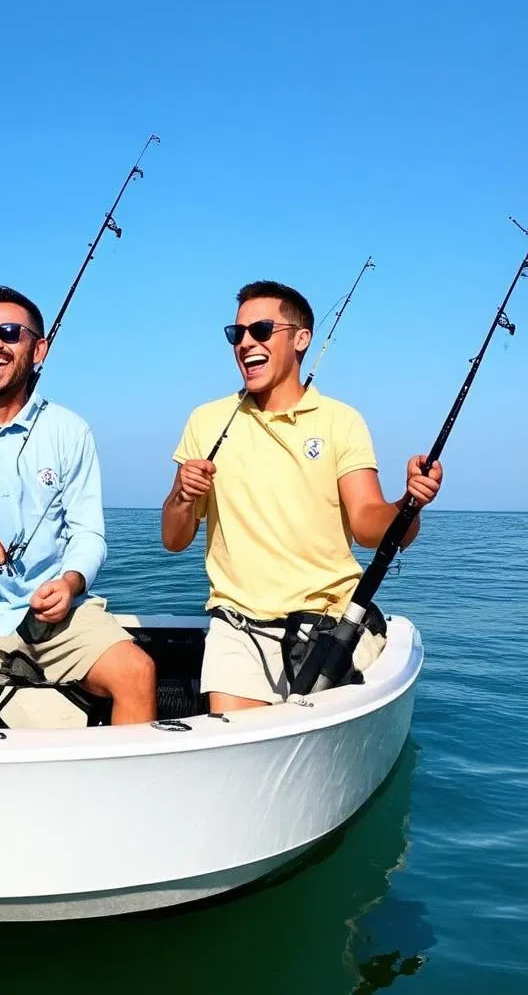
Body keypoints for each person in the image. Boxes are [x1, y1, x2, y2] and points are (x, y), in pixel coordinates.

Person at [161, 280, 442, 713]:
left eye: (260, 330)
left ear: (301, 338)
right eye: (236, 334)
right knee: (240, 750)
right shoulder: (206, 420)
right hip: (237, 630)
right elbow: (174, 539)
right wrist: (182, 495)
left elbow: (369, 524)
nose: (245, 343)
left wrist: (410, 503)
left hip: (330, 626)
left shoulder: (341, 421)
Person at [0, 285, 157, 728]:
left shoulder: (70, 430)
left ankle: (123, 791)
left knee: (138, 672)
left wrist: (72, 583)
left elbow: (88, 533)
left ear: (39, 348)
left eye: (7, 332)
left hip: (55, 618)